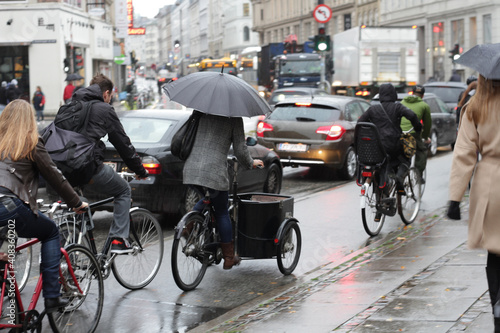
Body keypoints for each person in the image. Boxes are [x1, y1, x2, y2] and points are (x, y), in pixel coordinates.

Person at [0, 99, 88, 313]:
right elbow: (54, 176)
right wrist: (76, 202)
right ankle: (51, 297)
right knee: (49, 232)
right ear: (29, 119)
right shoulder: (30, 141)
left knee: (3, 253)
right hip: (8, 204)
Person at [65, 73, 148, 253]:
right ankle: (119, 239)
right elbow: (122, 144)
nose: (110, 101)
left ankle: (80, 247)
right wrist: (139, 170)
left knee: (80, 201)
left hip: (62, 169)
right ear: (106, 93)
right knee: (124, 190)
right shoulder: (104, 109)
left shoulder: (71, 106)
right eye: (110, 97)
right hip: (87, 167)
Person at [447, 74, 500, 332]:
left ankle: (497, 305)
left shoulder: (476, 107)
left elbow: (464, 154)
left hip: (490, 182)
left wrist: (455, 198)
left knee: (495, 249)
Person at [183, 112, 264, 270]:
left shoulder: (201, 112)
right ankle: (228, 257)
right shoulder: (233, 119)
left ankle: (189, 225)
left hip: (191, 169)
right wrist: (251, 163)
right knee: (221, 210)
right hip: (213, 172)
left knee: (208, 198)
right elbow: (240, 150)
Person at [357, 83, 422, 216]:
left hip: (377, 147)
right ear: (394, 94)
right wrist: (418, 128)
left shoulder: (373, 109)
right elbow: (412, 115)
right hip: (393, 145)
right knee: (405, 159)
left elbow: (360, 122)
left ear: (380, 95)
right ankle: (399, 177)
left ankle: (381, 200)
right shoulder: (397, 107)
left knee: (382, 166)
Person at [400, 85, 432, 180]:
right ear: (422, 95)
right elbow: (427, 124)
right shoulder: (424, 106)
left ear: (412, 93)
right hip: (413, 133)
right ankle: (418, 174)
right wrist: (425, 137)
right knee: (421, 151)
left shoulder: (402, 102)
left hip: (400, 132)